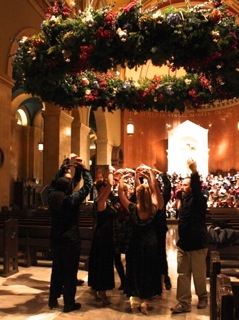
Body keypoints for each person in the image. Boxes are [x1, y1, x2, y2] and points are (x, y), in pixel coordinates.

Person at [118, 164, 164, 315]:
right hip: (151, 243)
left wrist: (122, 180)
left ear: (137, 196)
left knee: (137, 270)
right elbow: (156, 194)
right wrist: (151, 177)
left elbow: (121, 195)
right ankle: (145, 301)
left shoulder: (132, 209)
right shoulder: (154, 208)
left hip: (135, 244)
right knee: (149, 271)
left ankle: (138, 297)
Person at [48, 158, 93, 313]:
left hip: (56, 239)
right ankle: (69, 304)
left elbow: (53, 183)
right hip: (71, 241)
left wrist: (63, 168)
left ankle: (52, 300)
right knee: (70, 272)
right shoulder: (71, 200)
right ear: (69, 188)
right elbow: (87, 187)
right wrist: (85, 169)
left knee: (57, 270)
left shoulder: (51, 196)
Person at [171, 159, 208, 314]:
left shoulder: (199, 200)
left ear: (192, 186)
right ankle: (184, 302)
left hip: (197, 243)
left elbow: (198, 191)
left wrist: (194, 172)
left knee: (199, 275)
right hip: (184, 243)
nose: (182, 187)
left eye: (186, 185)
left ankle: (203, 297)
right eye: (182, 185)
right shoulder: (184, 199)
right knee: (182, 275)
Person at [87, 166, 116, 306]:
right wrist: (110, 171)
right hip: (102, 237)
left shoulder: (103, 201)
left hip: (104, 235)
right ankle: (102, 293)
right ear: (101, 189)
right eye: (104, 188)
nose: (107, 190)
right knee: (103, 264)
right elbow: (111, 184)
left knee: (100, 262)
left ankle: (95, 289)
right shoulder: (100, 201)